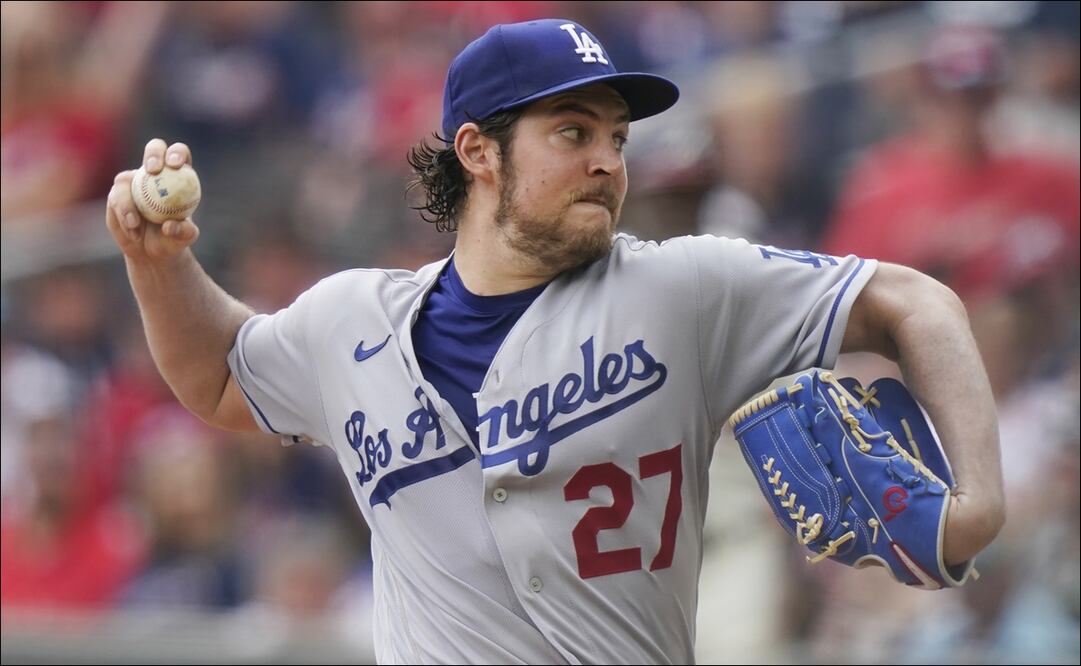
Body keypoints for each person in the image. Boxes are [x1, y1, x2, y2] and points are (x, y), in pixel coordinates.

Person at [105, 18, 1005, 664]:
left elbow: (913, 302)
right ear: (478, 150)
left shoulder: (680, 286)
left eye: (615, 136)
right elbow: (221, 376)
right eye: (571, 133)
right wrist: (156, 263)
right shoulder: (350, 319)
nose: (608, 159)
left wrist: (979, 502)